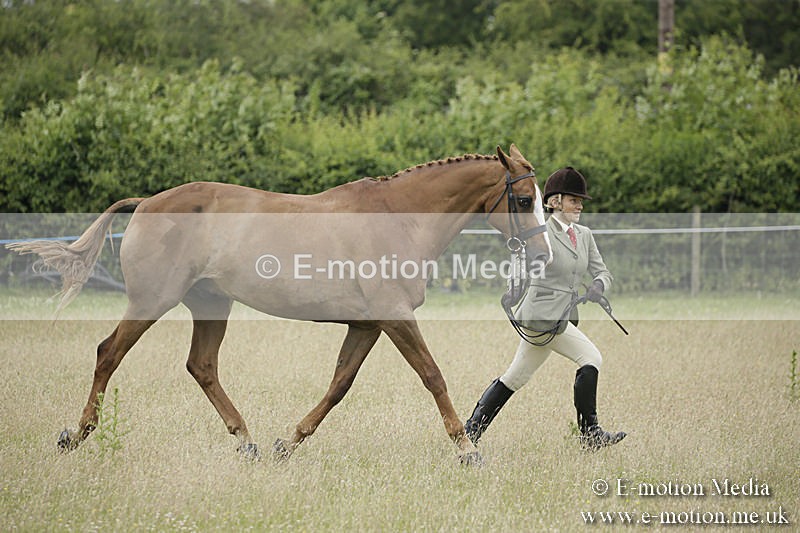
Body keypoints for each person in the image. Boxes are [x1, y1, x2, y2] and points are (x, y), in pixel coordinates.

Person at [465, 167, 626, 450]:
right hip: (541, 315)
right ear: (554, 201)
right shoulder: (542, 232)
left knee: (515, 377)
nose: (580, 205)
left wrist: (599, 285)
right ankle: (591, 434)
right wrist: (512, 288)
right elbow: (520, 262)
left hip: (562, 316)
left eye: (581, 200)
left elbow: (603, 271)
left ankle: (469, 432)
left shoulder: (585, 235)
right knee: (591, 357)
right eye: (574, 200)